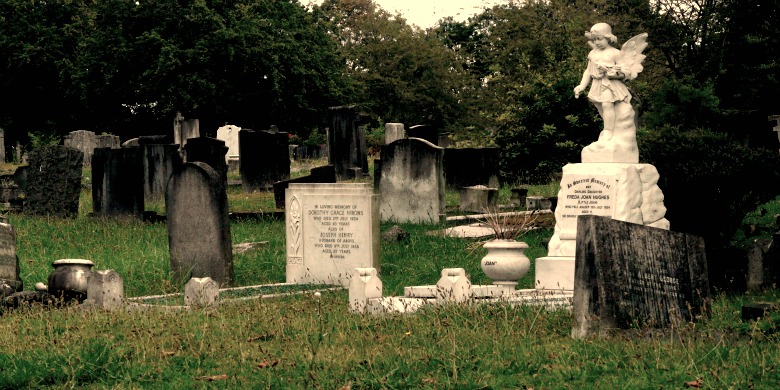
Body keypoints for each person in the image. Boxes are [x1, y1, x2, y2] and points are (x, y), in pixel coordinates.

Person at [573, 23, 631, 144]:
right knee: (600, 107)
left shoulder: (615, 53)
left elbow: (626, 71)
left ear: (608, 38)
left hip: (609, 84)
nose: (597, 42)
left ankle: (608, 130)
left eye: (599, 39)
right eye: (594, 40)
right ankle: (612, 127)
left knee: (606, 105)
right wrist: (582, 86)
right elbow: (588, 71)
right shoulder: (593, 53)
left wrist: (614, 74)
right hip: (597, 83)